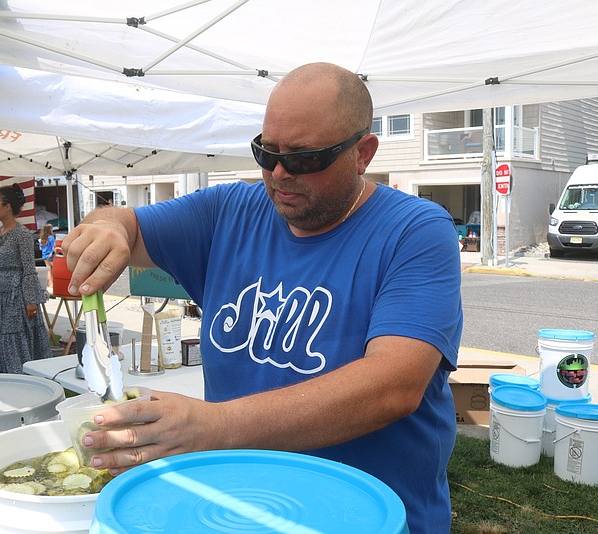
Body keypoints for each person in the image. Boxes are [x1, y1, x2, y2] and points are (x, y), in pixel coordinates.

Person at [61, 63, 463, 533]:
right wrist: (107, 226)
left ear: (363, 153)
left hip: (369, 514)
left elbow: (393, 385)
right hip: (238, 510)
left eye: (304, 157)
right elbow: (127, 222)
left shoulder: (415, 230)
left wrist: (213, 426)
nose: (278, 173)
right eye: (265, 151)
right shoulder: (228, 211)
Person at [0, 183, 50, 373]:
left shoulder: (22, 235)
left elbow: (28, 269)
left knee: (19, 338)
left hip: (20, 298)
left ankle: (26, 378)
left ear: (7, 207)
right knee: (7, 337)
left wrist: (31, 300)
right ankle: (12, 376)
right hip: (5, 297)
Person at [38, 223, 56, 290]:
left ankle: (51, 284)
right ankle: (54, 283)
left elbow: (40, 248)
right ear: (49, 230)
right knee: (55, 268)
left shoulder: (41, 239)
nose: (52, 230)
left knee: (48, 270)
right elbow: (53, 247)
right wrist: (57, 252)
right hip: (50, 255)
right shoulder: (51, 237)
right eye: (51, 229)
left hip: (44, 255)